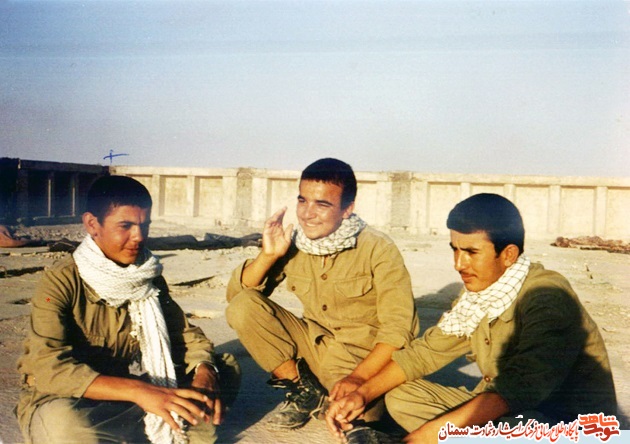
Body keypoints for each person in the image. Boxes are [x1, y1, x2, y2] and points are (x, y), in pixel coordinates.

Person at [326, 193, 617, 444]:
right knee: (401, 397)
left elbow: (518, 388)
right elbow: (425, 354)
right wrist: (362, 394)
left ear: (508, 254)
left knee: (507, 425)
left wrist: (422, 436)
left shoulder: (548, 297)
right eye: (455, 250)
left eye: (471, 252)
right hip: (509, 409)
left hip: (567, 426)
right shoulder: (479, 296)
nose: (458, 264)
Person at [16, 175, 240, 444]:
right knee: (65, 427)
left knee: (223, 370)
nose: (139, 237)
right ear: (92, 224)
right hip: (68, 399)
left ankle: (137, 430)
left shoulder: (146, 276)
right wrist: (140, 391)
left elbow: (186, 336)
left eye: (145, 225)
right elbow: (48, 367)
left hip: (125, 397)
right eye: (126, 226)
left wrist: (205, 372)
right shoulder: (62, 281)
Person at [225, 158, 419, 440]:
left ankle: (348, 405)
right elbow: (237, 298)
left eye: (322, 204)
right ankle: (305, 390)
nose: (307, 214)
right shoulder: (294, 242)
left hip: (362, 360)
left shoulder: (378, 248)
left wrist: (358, 378)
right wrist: (268, 255)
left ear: (347, 209)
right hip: (315, 347)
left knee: (362, 416)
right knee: (244, 306)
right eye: (302, 201)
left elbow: (399, 331)